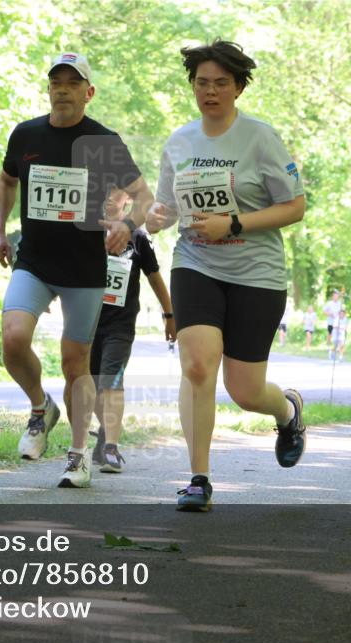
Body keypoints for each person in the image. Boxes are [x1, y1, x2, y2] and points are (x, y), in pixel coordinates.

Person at [145, 39, 306, 511]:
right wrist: (157, 216)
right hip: (197, 264)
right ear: (192, 86)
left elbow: (294, 206)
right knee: (196, 365)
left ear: (237, 87)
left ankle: (287, 411)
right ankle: (198, 479)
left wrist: (233, 224)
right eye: (201, 83)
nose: (210, 92)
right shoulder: (178, 142)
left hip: (257, 272)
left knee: (245, 390)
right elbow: (169, 207)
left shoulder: (260, 138)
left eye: (220, 83)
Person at [0, 52, 154, 488]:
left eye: (72, 83)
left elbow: (144, 197)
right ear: (48, 90)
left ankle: (78, 457)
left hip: (84, 268)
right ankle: (41, 408)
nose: (62, 89)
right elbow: (6, 182)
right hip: (35, 261)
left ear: (88, 92)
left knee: (74, 362)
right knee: (13, 338)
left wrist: (127, 223)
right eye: (55, 82)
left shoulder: (104, 141)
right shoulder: (26, 134)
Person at [90, 191, 176, 473]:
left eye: (116, 191)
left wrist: (169, 314)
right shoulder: (87, 231)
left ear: (127, 199)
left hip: (120, 325)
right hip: (86, 323)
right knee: (91, 387)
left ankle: (112, 449)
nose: (108, 196)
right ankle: (106, 432)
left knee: (110, 382)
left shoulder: (137, 237)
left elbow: (155, 278)